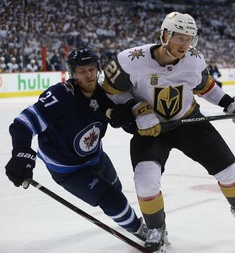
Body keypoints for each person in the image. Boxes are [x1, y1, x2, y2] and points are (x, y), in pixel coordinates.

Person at [102, 12, 235, 253]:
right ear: (164, 35)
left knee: (229, 170)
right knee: (145, 182)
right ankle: (156, 227)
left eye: (190, 39)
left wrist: (231, 105)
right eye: (179, 38)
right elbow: (109, 90)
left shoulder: (194, 59)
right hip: (152, 129)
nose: (185, 45)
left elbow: (206, 87)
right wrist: (136, 108)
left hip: (189, 121)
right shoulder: (130, 60)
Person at [4, 47, 147, 242]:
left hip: (96, 156)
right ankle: (140, 230)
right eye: (81, 71)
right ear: (72, 74)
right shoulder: (60, 96)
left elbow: (118, 117)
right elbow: (22, 125)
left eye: (91, 69)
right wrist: (21, 153)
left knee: (116, 189)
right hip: (68, 169)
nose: (88, 75)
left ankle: (123, 216)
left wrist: (127, 120)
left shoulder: (105, 92)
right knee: (111, 199)